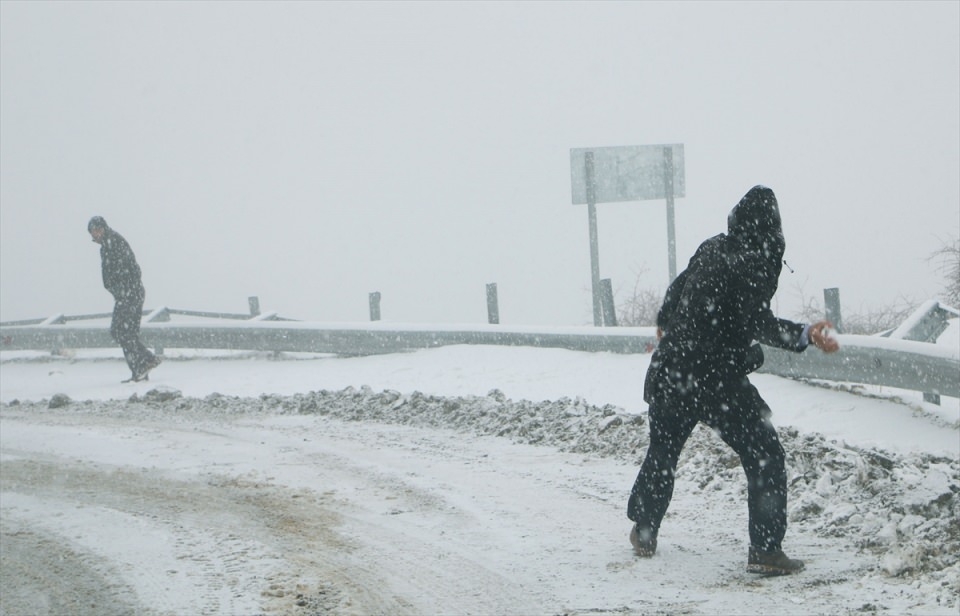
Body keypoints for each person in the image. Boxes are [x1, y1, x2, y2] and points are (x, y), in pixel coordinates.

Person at [627, 185, 839, 576]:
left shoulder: (713, 247)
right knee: (764, 451)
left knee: (663, 451)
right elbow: (757, 320)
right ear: (772, 229)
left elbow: (676, 292)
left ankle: (643, 528)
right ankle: (765, 550)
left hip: (672, 369)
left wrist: (666, 327)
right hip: (713, 377)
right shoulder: (754, 259)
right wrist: (804, 333)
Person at [88, 216, 161, 382]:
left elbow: (133, 269)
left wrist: (124, 290)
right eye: (92, 232)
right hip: (127, 294)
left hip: (130, 294)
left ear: (104, 228)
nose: (95, 234)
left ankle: (146, 361)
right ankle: (140, 370)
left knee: (120, 331)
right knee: (127, 333)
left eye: (97, 230)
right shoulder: (107, 245)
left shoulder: (114, 242)